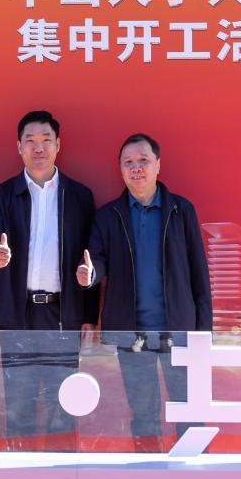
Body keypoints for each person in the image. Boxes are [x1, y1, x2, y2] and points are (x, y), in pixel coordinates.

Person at [77, 133, 212, 452]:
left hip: (179, 331)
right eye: (128, 162)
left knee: (190, 411)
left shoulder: (181, 210)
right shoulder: (108, 216)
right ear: (120, 169)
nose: (136, 168)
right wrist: (89, 274)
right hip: (131, 334)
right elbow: (96, 260)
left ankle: (196, 474)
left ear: (158, 165)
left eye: (143, 161)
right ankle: (149, 473)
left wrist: (203, 331)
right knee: (142, 414)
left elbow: (199, 271)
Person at [0, 110, 98, 449]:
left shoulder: (79, 196)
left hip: (63, 314)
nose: (38, 148)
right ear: (19, 147)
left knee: (64, 406)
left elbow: (91, 257)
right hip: (18, 314)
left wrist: (89, 315)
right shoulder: (2, 194)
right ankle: (21, 477)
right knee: (18, 406)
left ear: (58, 145)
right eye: (30, 141)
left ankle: (62, 475)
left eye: (46, 140)